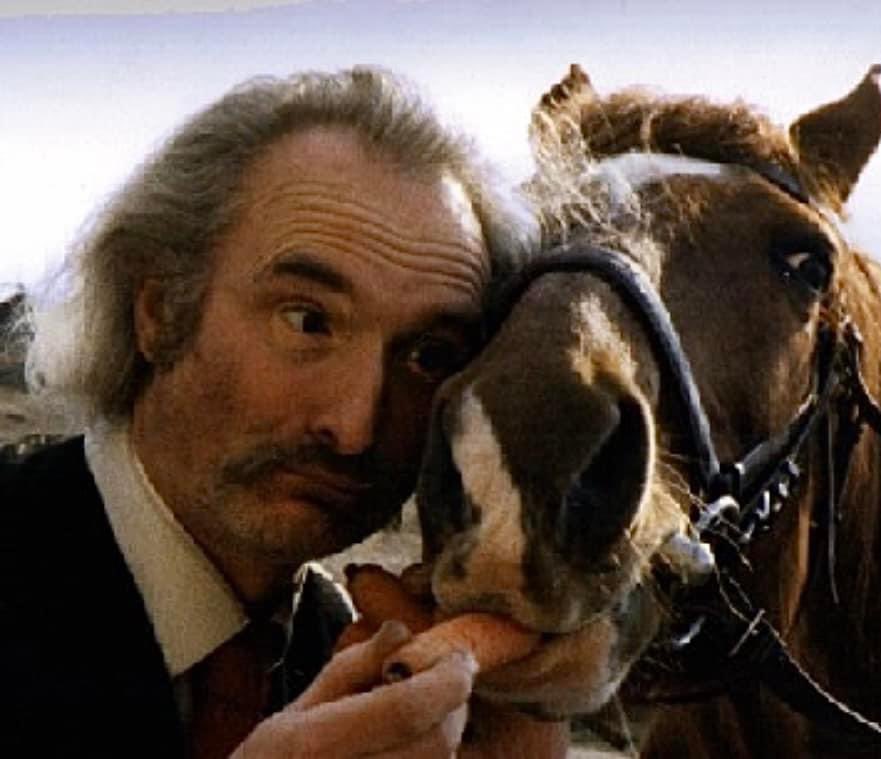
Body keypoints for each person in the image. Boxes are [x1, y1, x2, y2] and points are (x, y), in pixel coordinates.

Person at [0, 67, 566, 757]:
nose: (355, 427)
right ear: (159, 309)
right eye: (308, 321)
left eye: (428, 355)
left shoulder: (349, 657)